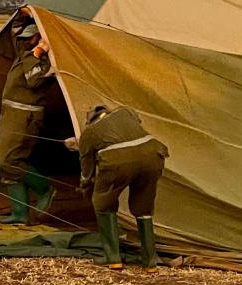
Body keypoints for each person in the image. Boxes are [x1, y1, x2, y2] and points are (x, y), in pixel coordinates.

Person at [66, 105, 169, 272]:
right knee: (143, 207)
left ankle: (113, 258)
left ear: (89, 121)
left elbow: (87, 167)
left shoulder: (89, 133)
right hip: (153, 155)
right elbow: (125, 136)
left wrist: (84, 184)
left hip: (117, 164)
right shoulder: (126, 111)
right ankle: (150, 262)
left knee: (103, 203)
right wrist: (80, 143)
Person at [0, 20, 56, 224]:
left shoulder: (46, 60)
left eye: (29, 39)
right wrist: (26, 13)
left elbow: (34, 80)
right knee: (6, 160)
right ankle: (20, 213)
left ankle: (44, 189)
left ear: (39, 40)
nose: (25, 42)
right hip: (11, 114)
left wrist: (38, 53)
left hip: (25, 116)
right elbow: (15, 31)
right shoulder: (24, 52)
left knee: (11, 159)